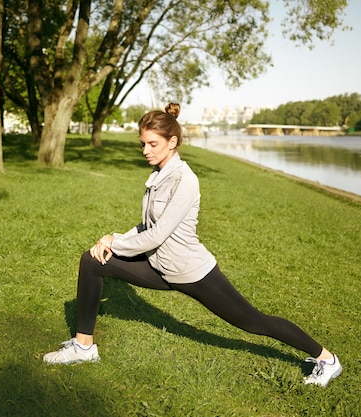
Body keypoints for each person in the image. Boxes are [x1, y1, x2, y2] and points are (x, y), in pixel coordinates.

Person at [43, 103, 342, 387]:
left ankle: (326, 359)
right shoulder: (159, 174)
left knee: (254, 322)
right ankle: (84, 347)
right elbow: (148, 226)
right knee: (92, 261)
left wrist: (114, 241)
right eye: (143, 144)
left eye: (152, 144)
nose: (146, 150)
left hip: (191, 272)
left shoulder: (185, 180)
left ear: (172, 142)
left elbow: (157, 235)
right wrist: (113, 239)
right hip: (158, 266)